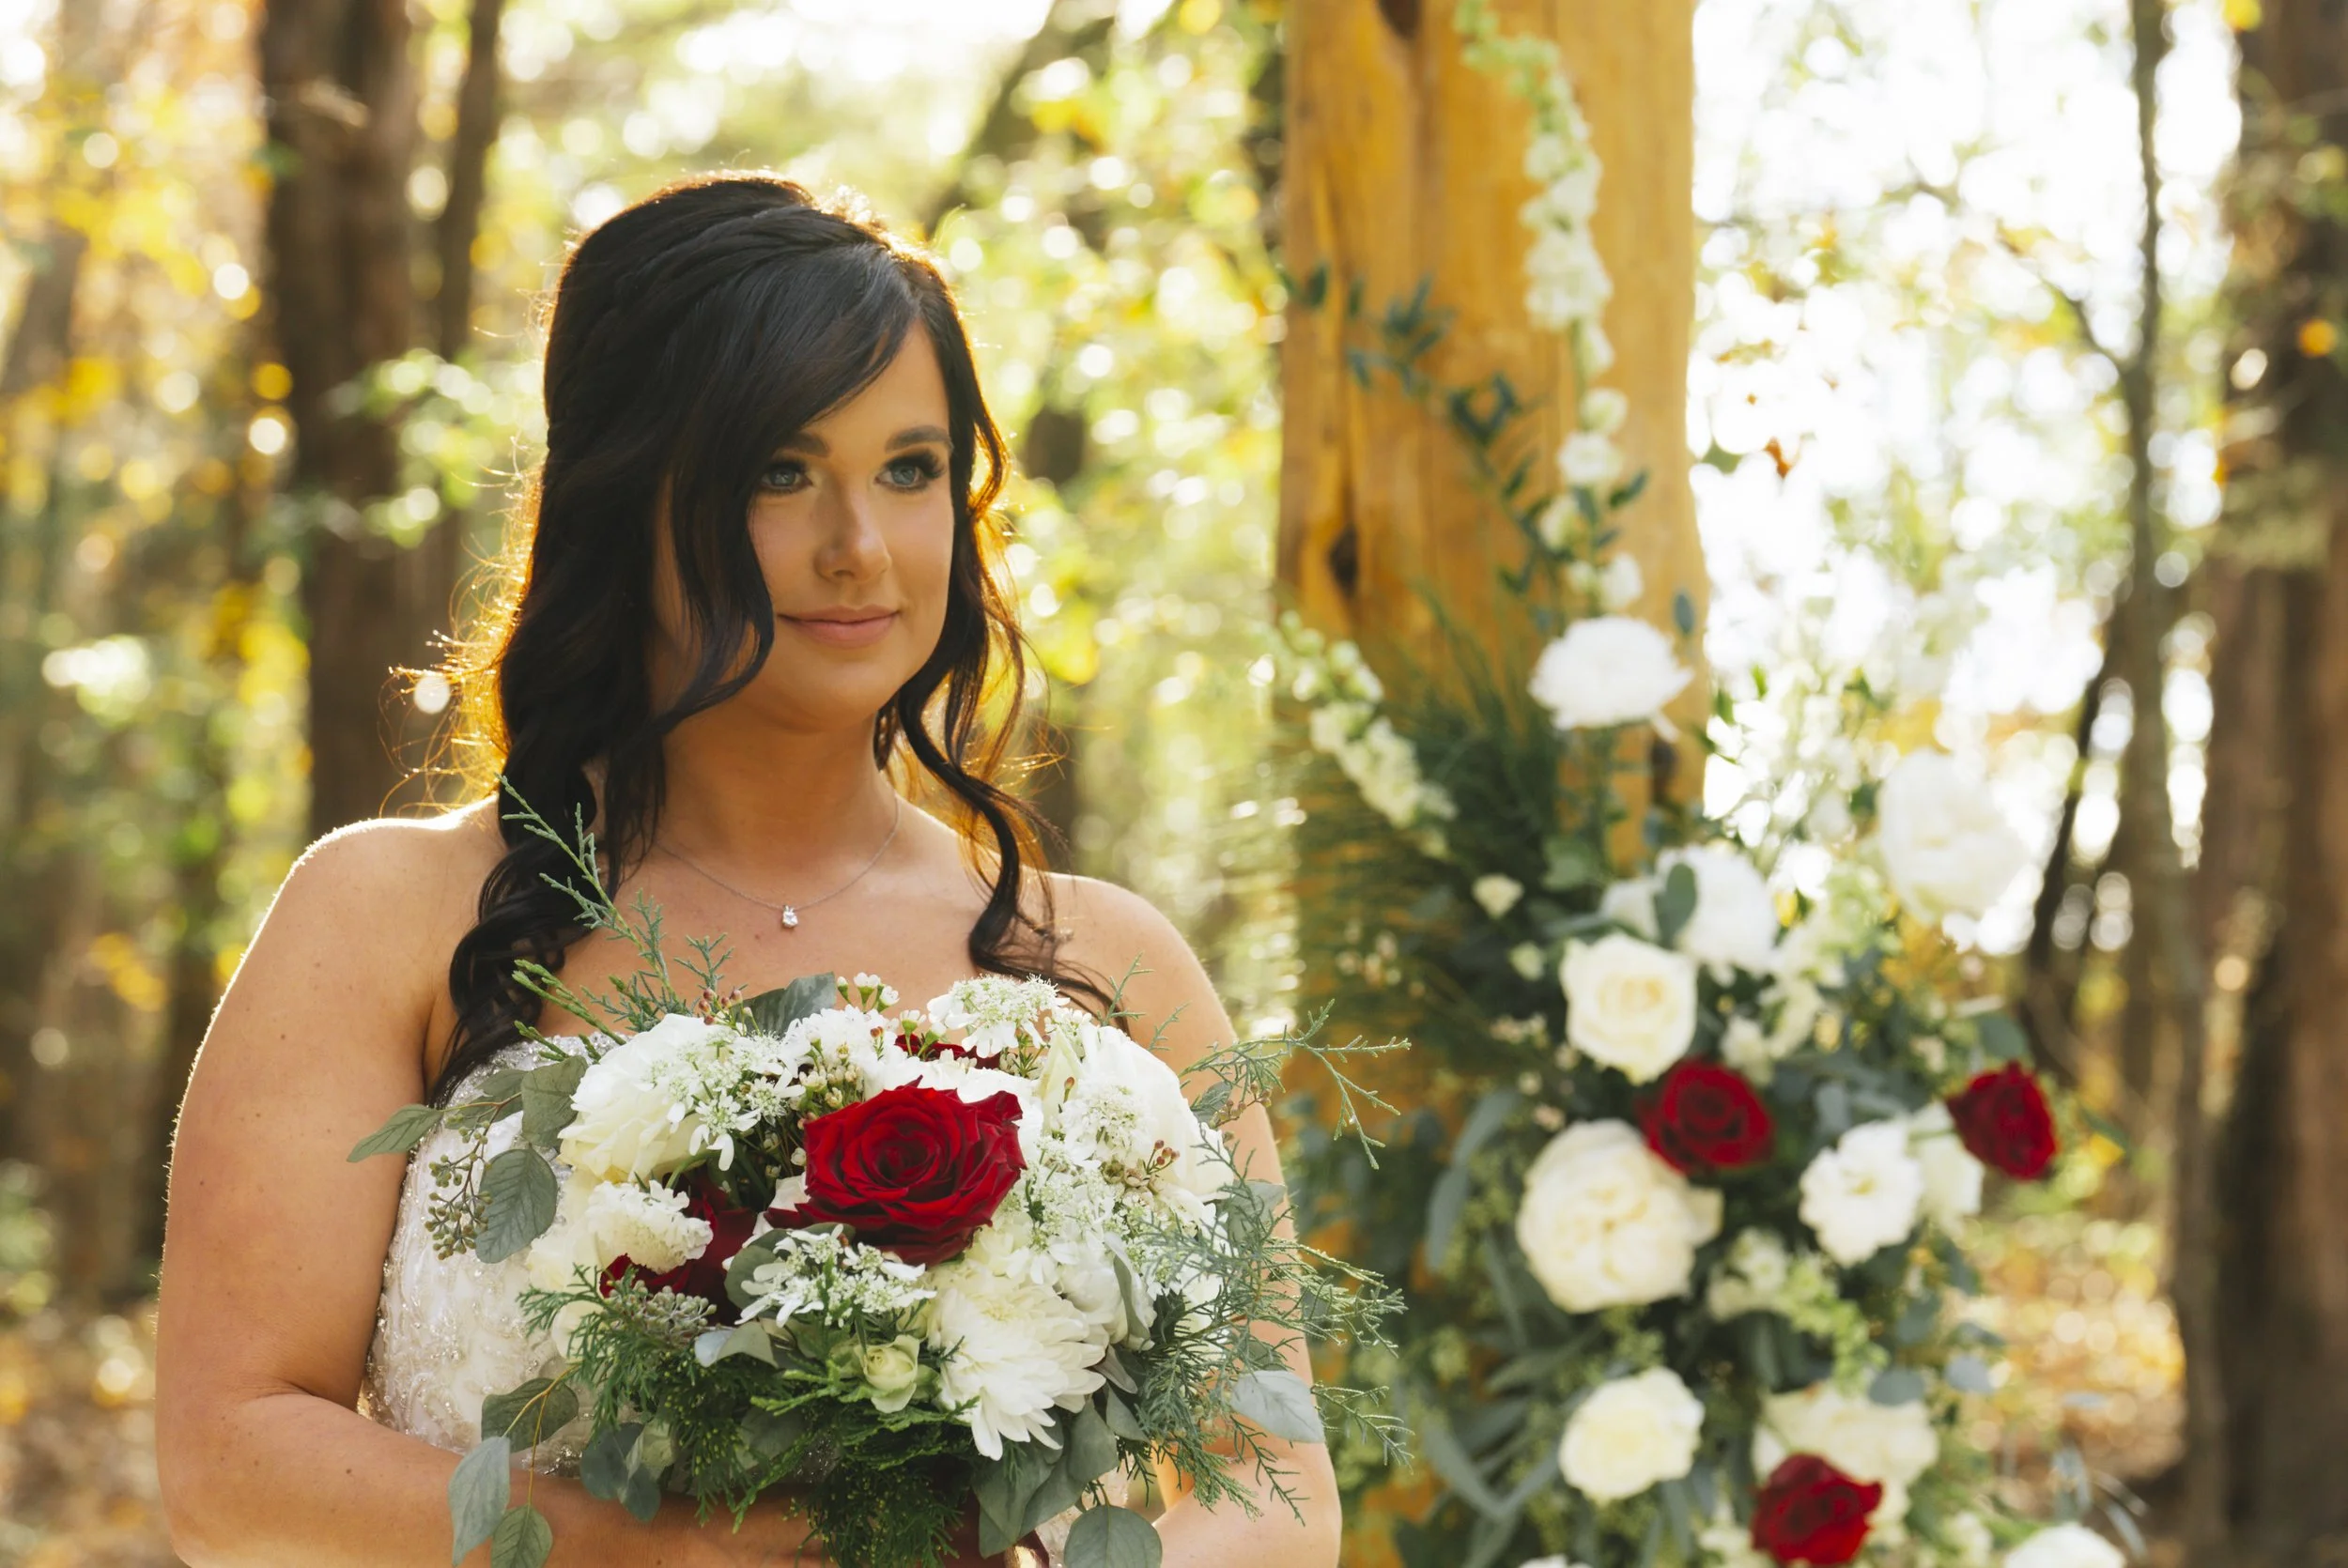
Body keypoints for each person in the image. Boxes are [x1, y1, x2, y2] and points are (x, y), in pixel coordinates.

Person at [152, 174, 1340, 1568]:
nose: (862, 547)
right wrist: (647, 1552)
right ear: (627, 493)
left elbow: (1278, 1487)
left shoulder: (1107, 961)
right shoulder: (387, 915)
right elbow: (230, 1461)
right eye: (781, 472)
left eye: (910, 470)